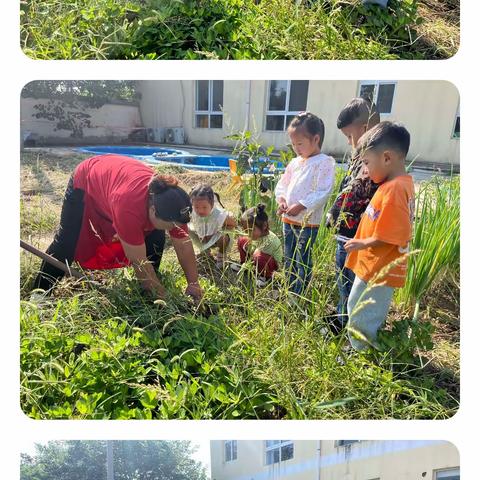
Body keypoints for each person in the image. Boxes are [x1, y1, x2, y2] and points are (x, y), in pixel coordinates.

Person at [33, 155, 203, 301]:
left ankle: (147, 292)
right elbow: (139, 261)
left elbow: (183, 245)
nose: (175, 229)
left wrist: (193, 284)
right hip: (87, 178)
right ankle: (39, 294)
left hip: (119, 179)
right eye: (171, 226)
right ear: (152, 210)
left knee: (156, 239)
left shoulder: (172, 203)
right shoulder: (128, 207)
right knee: (67, 242)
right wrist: (166, 300)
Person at [344, 122, 415, 351]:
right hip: (373, 266)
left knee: (361, 312)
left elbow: (394, 233)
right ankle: (361, 350)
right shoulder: (394, 185)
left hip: (379, 269)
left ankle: (363, 358)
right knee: (360, 308)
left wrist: (361, 242)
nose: (365, 169)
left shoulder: (394, 189)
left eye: (366, 162)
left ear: (386, 158)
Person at [326, 97, 380, 331]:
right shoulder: (357, 156)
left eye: (350, 136)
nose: (349, 142)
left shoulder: (376, 161)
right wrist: (332, 212)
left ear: (365, 129)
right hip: (343, 234)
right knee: (342, 280)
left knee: (350, 283)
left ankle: (348, 327)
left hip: (355, 237)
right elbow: (346, 189)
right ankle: (341, 316)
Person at [275, 112, 335, 295]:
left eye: (299, 144)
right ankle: (290, 288)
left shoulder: (325, 163)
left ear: (315, 139)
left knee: (302, 257)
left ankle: (301, 292)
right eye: (293, 144)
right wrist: (282, 199)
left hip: (307, 222)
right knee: (289, 255)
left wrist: (301, 205)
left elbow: (323, 191)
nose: (296, 148)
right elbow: (283, 184)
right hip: (288, 220)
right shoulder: (294, 163)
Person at [188, 184, 236, 267]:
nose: (200, 211)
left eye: (204, 207)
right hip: (203, 237)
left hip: (217, 238)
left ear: (212, 204)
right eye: (196, 207)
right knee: (187, 229)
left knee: (224, 237)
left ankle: (221, 255)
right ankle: (205, 251)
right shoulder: (193, 212)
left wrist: (215, 233)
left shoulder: (219, 215)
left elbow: (233, 225)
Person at [236, 204, 282, 286]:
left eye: (250, 230)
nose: (248, 233)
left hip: (271, 264)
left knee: (259, 256)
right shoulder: (258, 235)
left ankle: (265, 276)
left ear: (264, 226)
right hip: (258, 256)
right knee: (242, 240)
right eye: (246, 230)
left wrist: (250, 252)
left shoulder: (270, 241)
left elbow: (258, 254)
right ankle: (244, 264)